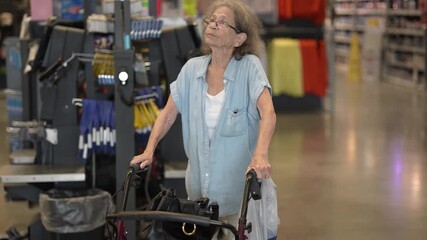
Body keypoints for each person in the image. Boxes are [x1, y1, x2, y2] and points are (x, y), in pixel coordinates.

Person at [131, 0, 276, 238]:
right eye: (211, 20)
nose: (213, 25)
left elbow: (268, 112)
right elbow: (167, 113)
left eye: (222, 22)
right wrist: (149, 150)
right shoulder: (192, 69)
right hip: (200, 191)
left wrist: (261, 155)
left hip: (241, 194)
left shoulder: (250, 67)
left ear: (239, 38)